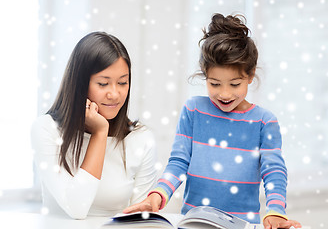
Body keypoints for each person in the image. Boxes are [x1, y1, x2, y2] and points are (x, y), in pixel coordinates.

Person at [123, 14, 302, 229]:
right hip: (194, 223)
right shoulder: (193, 110)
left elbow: (274, 172)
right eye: (215, 84)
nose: (224, 94)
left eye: (235, 84)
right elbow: (179, 162)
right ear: (204, 76)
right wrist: (158, 195)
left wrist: (276, 212)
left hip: (242, 224)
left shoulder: (264, 122)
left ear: (251, 75)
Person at [31, 32, 157, 219]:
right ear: (80, 84)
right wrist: (100, 132)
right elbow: (76, 208)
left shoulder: (141, 138)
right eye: (103, 83)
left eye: (123, 82)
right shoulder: (46, 129)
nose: (114, 94)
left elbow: (141, 219)